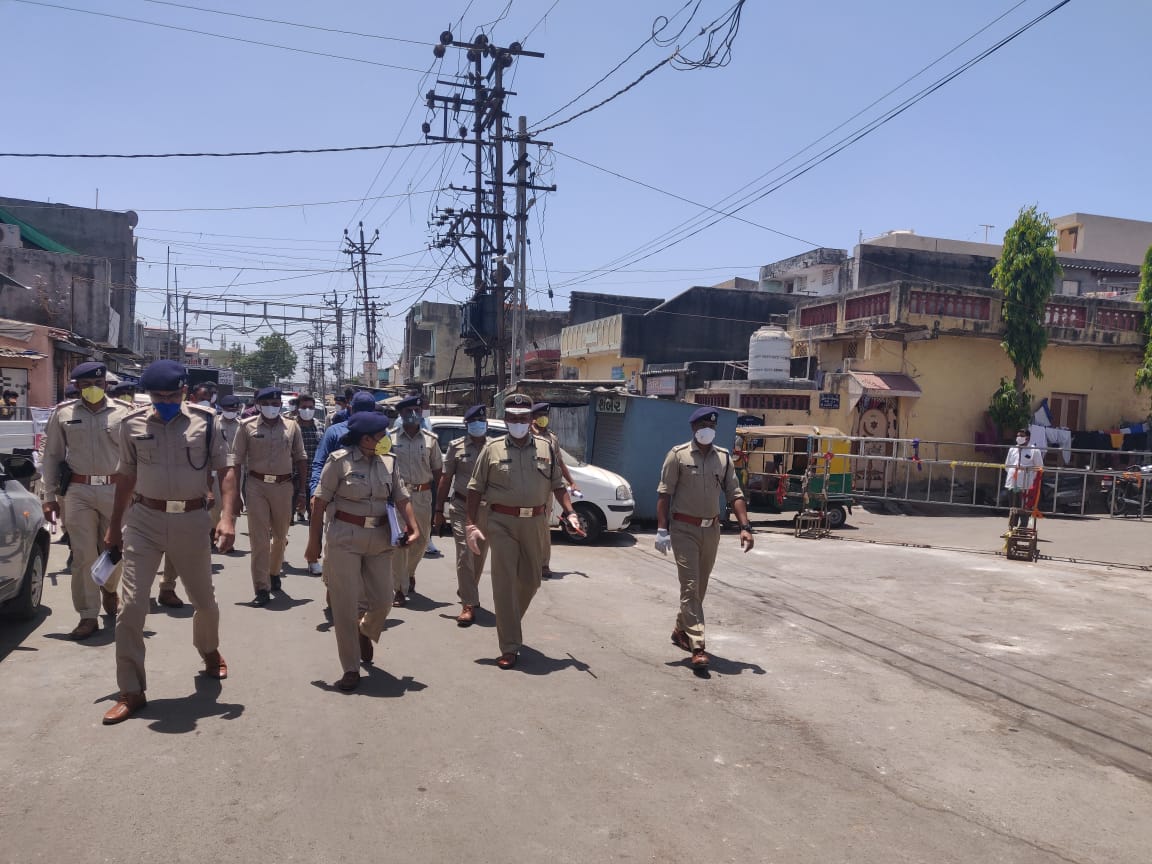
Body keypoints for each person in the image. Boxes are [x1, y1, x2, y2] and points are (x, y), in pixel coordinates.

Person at [101, 360, 239, 725]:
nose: (165, 401)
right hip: (145, 519)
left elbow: (226, 471)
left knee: (205, 602)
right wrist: (115, 526)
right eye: (158, 396)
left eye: (172, 395)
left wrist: (227, 518)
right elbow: (126, 477)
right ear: (149, 394)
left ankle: (208, 649)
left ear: (184, 392)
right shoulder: (132, 424)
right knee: (130, 608)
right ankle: (131, 690)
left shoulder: (206, 422)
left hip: (192, 519)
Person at [465, 393, 583, 669]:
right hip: (501, 523)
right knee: (504, 583)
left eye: (523, 418)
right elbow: (474, 489)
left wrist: (571, 512)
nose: (518, 422)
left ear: (531, 420)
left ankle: (508, 619)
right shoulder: (491, 449)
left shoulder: (545, 447)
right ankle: (509, 645)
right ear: (506, 420)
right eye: (513, 418)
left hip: (535, 523)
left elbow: (557, 485)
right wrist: (471, 524)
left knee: (531, 581)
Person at [305, 412, 419, 691]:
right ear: (365, 438)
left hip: (380, 538)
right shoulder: (339, 461)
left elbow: (401, 496)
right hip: (345, 537)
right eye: (381, 436)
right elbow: (319, 502)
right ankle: (351, 668)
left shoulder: (389, 462)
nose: (386, 440)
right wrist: (314, 543)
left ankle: (365, 629)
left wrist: (414, 528)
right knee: (344, 606)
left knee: (383, 599)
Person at [655, 407, 754, 669]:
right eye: (702, 426)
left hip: (711, 530)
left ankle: (680, 630)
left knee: (699, 588)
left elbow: (735, 493)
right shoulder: (677, 456)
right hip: (683, 529)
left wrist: (746, 526)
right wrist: (662, 530)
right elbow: (664, 495)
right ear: (694, 429)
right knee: (689, 587)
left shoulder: (723, 458)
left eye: (711, 426)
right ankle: (697, 646)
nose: (707, 430)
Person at [40, 361, 130, 639]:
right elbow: (52, 455)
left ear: (106, 385)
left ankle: (110, 589)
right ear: (77, 386)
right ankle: (88, 615)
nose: (93, 389)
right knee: (83, 555)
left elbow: (136, 455)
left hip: (116, 490)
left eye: (99, 384)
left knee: (116, 549)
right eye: (87, 385)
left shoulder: (125, 413)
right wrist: (49, 495)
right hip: (77, 491)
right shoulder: (63, 413)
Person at [233, 386, 308, 606]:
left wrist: (302, 491)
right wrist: (236, 494)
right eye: (267, 404)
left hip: (283, 486)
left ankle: (274, 572)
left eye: (276, 404)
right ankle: (261, 587)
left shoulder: (292, 427)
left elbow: (301, 459)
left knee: (280, 536)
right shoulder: (246, 427)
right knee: (259, 540)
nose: (272, 408)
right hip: (256, 486)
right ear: (259, 405)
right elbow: (236, 461)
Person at [435, 404, 490, 626]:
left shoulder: (494, 448)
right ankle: (468, 603)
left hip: (487, 509)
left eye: (481, 421)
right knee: (465, 553)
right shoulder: (456, 447)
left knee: (479, 554)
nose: (479, 425)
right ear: (467, 425)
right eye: (474, 422)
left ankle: (467, 589)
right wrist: (438, 511)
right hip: (461, 506)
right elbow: (445, 479)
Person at [388, 394, 443, 606]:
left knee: (420, 542)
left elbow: (438, 471)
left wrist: (438, 502)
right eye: (408, 411)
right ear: (400, 414)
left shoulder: (430, 440)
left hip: (423, 496)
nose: (413, 415)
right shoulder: (390, 438)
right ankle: (399, 588)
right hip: (400, 496)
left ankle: (409, 572)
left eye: (417, 411)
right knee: (401, 541)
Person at [530, 402, 579, 579]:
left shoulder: (552, 438)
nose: (544, 418)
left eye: (546, 415)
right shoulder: (524, 435)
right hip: (525, 489)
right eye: (540, 415)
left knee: (543, 528)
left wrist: (571, 482)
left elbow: (559, 462)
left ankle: (544, 565)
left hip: (545, 491)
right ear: (532, 418)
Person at [289, 393, 323, 525]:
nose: (307, 410)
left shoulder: (319, 426)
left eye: (311, 407)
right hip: (292, 477)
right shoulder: (290, 426)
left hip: (314, 478)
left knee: (315, 517)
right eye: (304, 407)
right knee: (286, 518)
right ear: (297, 408)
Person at [1004, 427, 1044, 529]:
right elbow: (1007, 466)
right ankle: (1012, 528)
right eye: (1018, 436)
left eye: (1021, 436)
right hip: (1013, 484)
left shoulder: (1034, 451)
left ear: (1027, 438)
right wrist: (1015, 473)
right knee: (1013, 507)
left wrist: (1027, 476)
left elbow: (1039, 468)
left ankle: (1022, 529)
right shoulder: (1012, 449)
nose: (1019, 438)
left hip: (1026, 485)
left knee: (1024, 508)